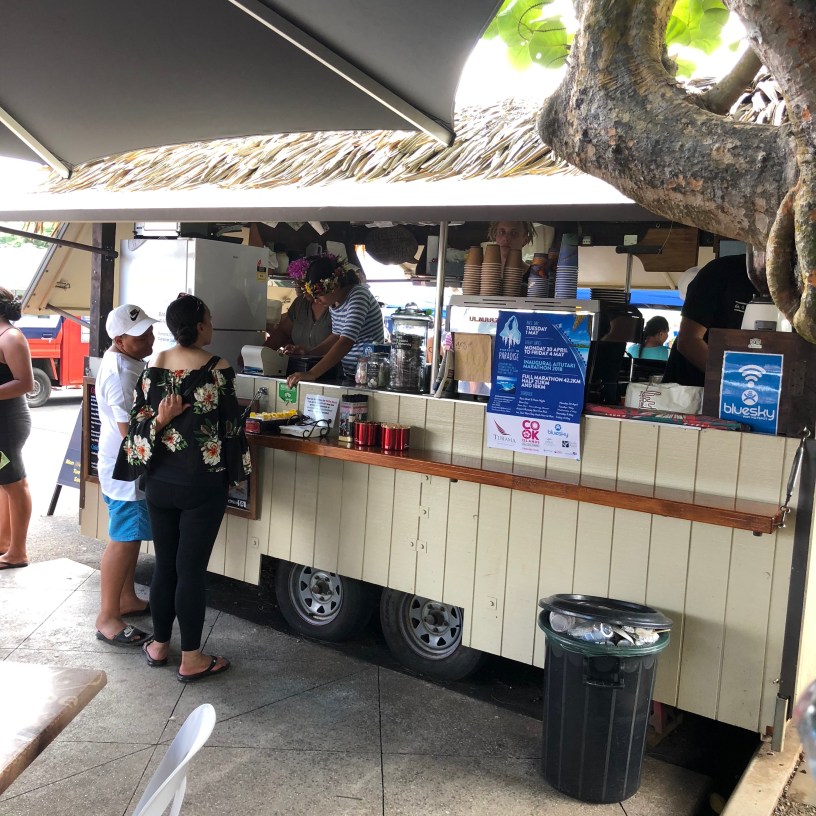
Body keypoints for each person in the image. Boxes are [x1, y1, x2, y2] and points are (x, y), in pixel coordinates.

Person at [115, 294, 250, 682]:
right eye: (210, 318)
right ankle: (191, 659)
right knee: (190, 571)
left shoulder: (154, 365)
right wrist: (238, 473)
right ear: (201, 326)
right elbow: (231, 428)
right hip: (202, 484)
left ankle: (159, 645)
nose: (212, 324)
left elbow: (138, 425)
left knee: (165, 566)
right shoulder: (218, 368)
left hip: (160, 482)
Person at [94, 304, 157, 647]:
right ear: (119, 340)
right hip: (125, 467)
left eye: (149, 332)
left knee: (130, 535)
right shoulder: (120, 375)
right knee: (123, 538)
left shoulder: (126, 360)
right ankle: (107, 617)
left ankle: (127, 598)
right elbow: (128, 432)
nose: (149, 339)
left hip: (120, 463)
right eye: (140, 337)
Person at [285, 254, 385, 387]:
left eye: (318, 295)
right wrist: (310, 352)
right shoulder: (334, 303)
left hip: (370, 375)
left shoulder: (358, 296)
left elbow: (346, 341)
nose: (316, 301)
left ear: (334, 286)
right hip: (353, 374)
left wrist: (312, 373)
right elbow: (336, 336)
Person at [662, 254, 757, 386]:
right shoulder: (722, 271)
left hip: (740, 386)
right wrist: (737, 382)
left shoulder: (783, 285)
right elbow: (689, 341)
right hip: (691, 388)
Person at [0, 288, 33, 570]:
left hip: (7, 422)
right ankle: (4, 542)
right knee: (5, 482)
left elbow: (25, 383)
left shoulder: (11, 337)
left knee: (14, 483)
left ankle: (18, 552)